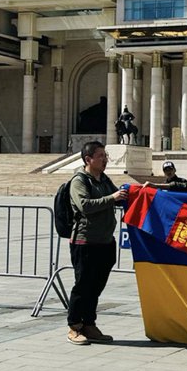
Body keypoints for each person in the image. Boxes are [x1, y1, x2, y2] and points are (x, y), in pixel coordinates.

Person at [66, 140, 129, 345]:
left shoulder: (103, 179)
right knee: (83, 286)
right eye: (101, 156)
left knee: (96, 286)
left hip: (104, 242)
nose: (105, 159)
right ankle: (74, 326)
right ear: (88, 159)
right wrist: (113, 197)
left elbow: (117, 197)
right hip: (85, 241)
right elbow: (85, 205)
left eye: (105, 155)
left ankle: (89, 324)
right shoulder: (79, 180)